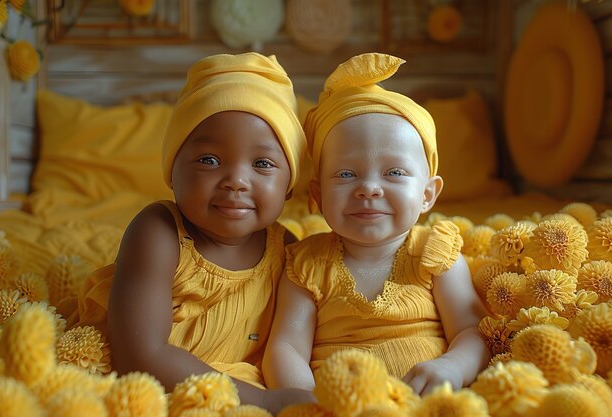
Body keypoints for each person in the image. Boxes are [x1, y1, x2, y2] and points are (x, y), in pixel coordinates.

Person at [71, 52, 313, 412]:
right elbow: (140, 355)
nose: (236, 181)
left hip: (226, 387)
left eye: (262, 164)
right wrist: (265, 401)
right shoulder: (159, 232)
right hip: (143, 383)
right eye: (209, 160)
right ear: (172, 172)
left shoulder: (288, 251)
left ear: (288, 187)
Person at [262, 53, 491, 396]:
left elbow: (472, 330)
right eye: (346, 174)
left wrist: (453, 365)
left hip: (425, 401)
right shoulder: (306, 264)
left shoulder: (435, 252)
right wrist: (305, 400)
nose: (369, 188)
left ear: (428, 194)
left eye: (394, 173)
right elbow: (286, 348)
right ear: (319, 195)